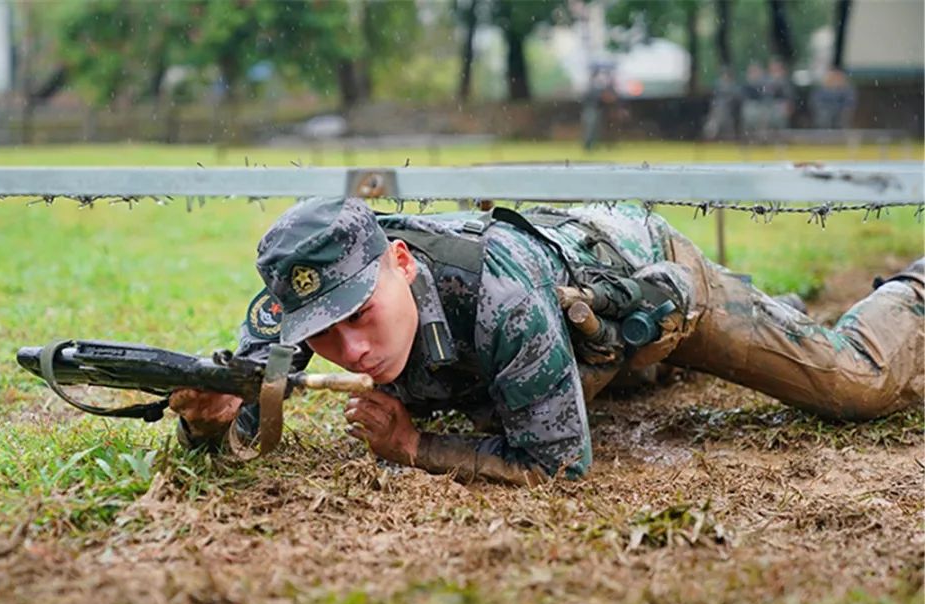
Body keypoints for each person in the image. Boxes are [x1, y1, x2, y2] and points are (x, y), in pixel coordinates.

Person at [171, 198, 924, 486]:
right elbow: (245, 426)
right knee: (602, 390)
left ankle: (908, 292)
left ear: (400, 263)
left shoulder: (501, 296)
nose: (351, 349)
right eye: (319, 335)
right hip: (576, 347)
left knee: (852, 383)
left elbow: (562, 464)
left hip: (648, 288)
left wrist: (417, 448)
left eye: (360, 315)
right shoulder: (302, 295)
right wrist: (207, 421)